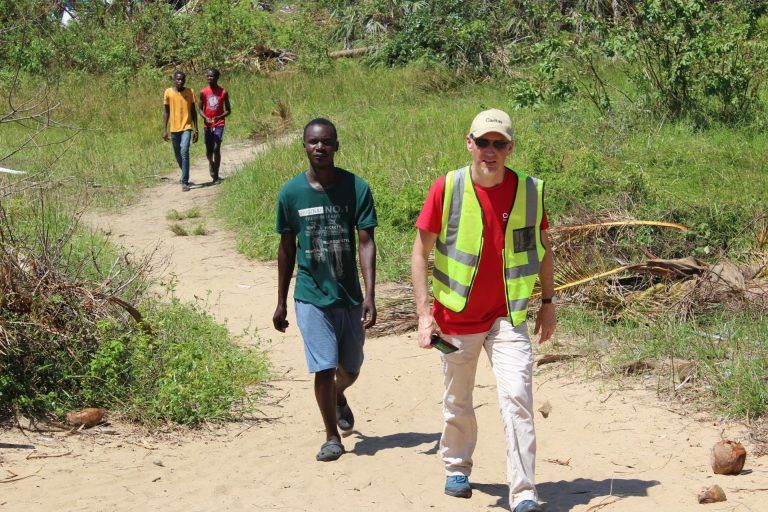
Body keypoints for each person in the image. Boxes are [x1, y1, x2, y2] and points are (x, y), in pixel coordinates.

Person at [410, 109, 555, 512]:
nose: (491, 151)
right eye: (484, 142)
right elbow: (420, 254)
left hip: (508, 315)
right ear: (469, 143)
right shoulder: (448, 188)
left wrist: (548, 302)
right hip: (456, 318)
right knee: (458, 396)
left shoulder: (529, 190)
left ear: (510, 148)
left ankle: (524, 492)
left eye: (500, 143)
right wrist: (425, 314)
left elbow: (543, 251)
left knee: (518, 397)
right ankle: (456, 466)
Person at [273, 118, 378, 462]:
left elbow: (366, 242)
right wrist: (281, 303)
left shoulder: (355, 188)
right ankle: (332, 436)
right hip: (310, 294)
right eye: (313, 142)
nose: (320, 147)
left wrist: (370, 295)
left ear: (336, 146)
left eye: (327, 142)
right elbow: (287, 248)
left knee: (351, 367)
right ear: (304, 146)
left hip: (347, 295)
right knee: (323, 366)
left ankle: (338, 394)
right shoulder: (291, 194)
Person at [162, 71, 198, 191]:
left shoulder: (190, 92)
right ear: (174, 80)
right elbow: (166, 112)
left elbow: (193, 111)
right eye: (178, 79)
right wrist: (164, 129)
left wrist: (196, 129)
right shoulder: (168, 92)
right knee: (178, 155)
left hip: (187, 127)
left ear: (185, 80)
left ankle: (185, 182)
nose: (180, 81)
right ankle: (184, 173)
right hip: (174, 129)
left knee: (184, 151)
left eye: (182, 79)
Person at [198, 68, 231, 184]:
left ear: (217, 77)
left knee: (217, 148)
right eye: (207, 76)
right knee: (209, 150)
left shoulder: (223, 92)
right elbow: (199, 109)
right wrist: (205, 118)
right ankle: (211, 164)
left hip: (219, 123)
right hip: (207, 124)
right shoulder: (203, 92)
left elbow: (228, 110)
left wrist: (220, 117)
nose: (209, 78)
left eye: (211, 76)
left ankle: (216, 175)